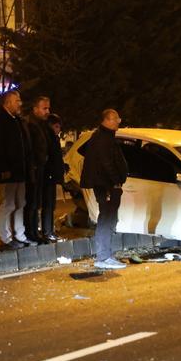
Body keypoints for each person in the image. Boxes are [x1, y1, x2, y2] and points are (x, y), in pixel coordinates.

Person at [80, 109, 128, 270]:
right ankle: (103, 256)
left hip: (107, 184)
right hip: (105, 185)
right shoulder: (102, 138)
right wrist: (115, 181)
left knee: (109, 218)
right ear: (106, 120)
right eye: (115, 119)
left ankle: (107, 254)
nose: (118, 121)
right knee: (106, 218)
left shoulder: (106, 137)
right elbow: (106, 163)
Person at [0, 90, 35, 250]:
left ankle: (19, 234)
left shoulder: (17, 121)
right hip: (8, 172)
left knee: (20, 203)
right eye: (17, 100)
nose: (20, 103)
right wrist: (3, 169)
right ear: (7, 103)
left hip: (20, 171)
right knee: (7, 204)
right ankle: (5, 237)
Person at [24, 96, 52, 243]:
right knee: (32, 203)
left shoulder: (41, 124)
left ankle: (35, 232)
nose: (47, 111)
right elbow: (30, 148)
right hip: (34, 169)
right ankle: (31, 232)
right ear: (35, 109)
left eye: (48, 108)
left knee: (36, 202)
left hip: (40, 168)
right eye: (44, 108)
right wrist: (34, 165)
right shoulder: (30, 124)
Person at [40, 112, 66, 241]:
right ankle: (47, 231)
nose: (58, 129)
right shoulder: (48, 138)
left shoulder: (54, 138)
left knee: (51, 205)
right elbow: (50, 158)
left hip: (52, 176)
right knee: (48, 205)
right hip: (48, 176)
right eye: (56, 126)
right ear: (50, 126)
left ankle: (49, 230)